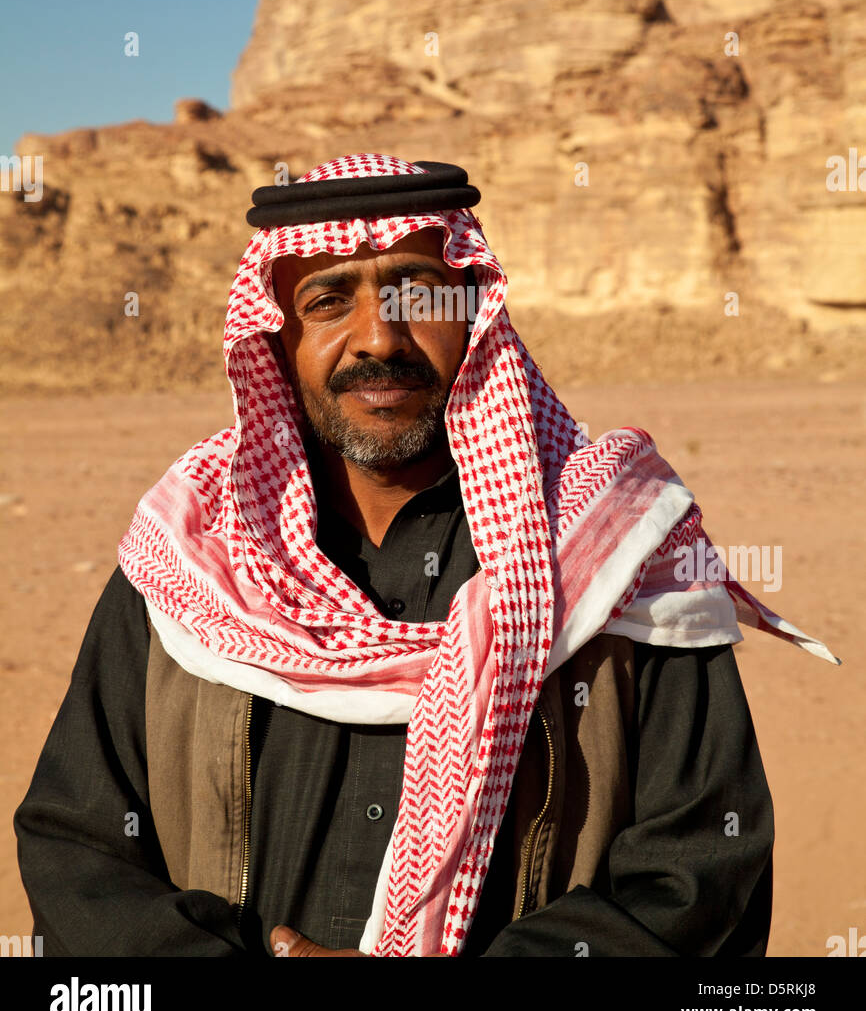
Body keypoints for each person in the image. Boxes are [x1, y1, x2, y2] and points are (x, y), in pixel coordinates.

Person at [14, 154, 839, 958]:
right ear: (278, 336)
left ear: (473, 315)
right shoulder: (191, 557)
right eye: (328, 300)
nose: (379, 337)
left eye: (417, 292)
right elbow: (78, 849)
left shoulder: (615, 552)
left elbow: (700, 874)